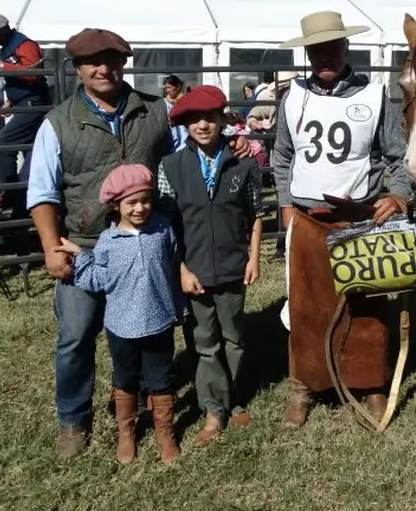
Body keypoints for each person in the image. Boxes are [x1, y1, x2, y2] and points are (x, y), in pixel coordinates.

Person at [28, 27, 253, 459]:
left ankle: (181, 397)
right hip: (86, 242)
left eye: (111, 60)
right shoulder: (57, 123)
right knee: (76, 333)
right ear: (77, 69)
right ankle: (74, 418)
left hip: (152, 241)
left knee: (166, 325)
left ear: (124, 64)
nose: (103, 69)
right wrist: (51, 246)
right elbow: (43, 190)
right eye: (92, 62)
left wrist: (232, 145)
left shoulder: (156, 110)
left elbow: (191, 150)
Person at [271, 10, 411, 427]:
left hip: (358, 219)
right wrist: (286, 208)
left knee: (367, 306)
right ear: (307, 53)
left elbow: (397, 157)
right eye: (316, 50)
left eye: (332, 47)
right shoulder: (293, 97)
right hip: (307, 218)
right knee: (306, 307)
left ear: (346, 46)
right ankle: (304, 385)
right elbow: (282, 157)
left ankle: (370, 384)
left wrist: (398, 195)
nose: (324, 56)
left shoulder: (374, 95)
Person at [156, 85, 265, 445]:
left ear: (222, 120)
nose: (203, 125)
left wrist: (254, 257)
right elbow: (168, 227)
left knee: (234, 338)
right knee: (206, 343)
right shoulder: (171, 167)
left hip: (234, 265)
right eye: (194, 120)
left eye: (210, 118)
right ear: (185, 125)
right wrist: (181, 269)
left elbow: (256, 214)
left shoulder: (244, 164)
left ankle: (233, 397)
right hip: (196, 270)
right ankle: (213, 410)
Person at [55, 164, 183, 464]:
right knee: (125, 377)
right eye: (131, 203)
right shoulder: (108, 242)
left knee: (161, 377)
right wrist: (80, 256)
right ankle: (126, 432)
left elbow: (173, 263)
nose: (140, 208)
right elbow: (99, 278)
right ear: (116, 205)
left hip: (159, 321)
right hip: (121, 325)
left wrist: (179, 304)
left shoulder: (163, 230)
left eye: (145, 200)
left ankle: (165, 432)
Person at [0, 14, 51, 202]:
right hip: (27, 103)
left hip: (33, 104)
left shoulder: (24, 45)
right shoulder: (12, 45)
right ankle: (25, 194)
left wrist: (1, 65)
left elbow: (34, 73)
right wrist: (11, 100)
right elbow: (23, 78)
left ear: (2, 30)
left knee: (2, 144)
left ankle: (12, 190)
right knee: (32, 150)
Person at [162, 75, 188, 151]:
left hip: (185, 138)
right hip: (170, 138)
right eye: (166, 88)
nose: (167, 90)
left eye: (169, 87)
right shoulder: (164, 103)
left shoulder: (187, 100)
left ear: (178, 87)